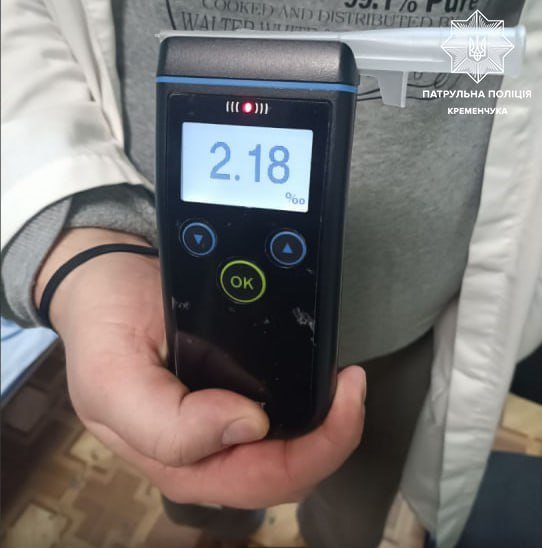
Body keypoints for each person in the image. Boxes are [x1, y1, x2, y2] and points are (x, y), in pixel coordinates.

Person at [1, 1, 541, 547]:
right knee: (198, 484)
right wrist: (83, 249)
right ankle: (226, 530)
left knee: (351, 516)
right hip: (172, 316)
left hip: (409, 320)